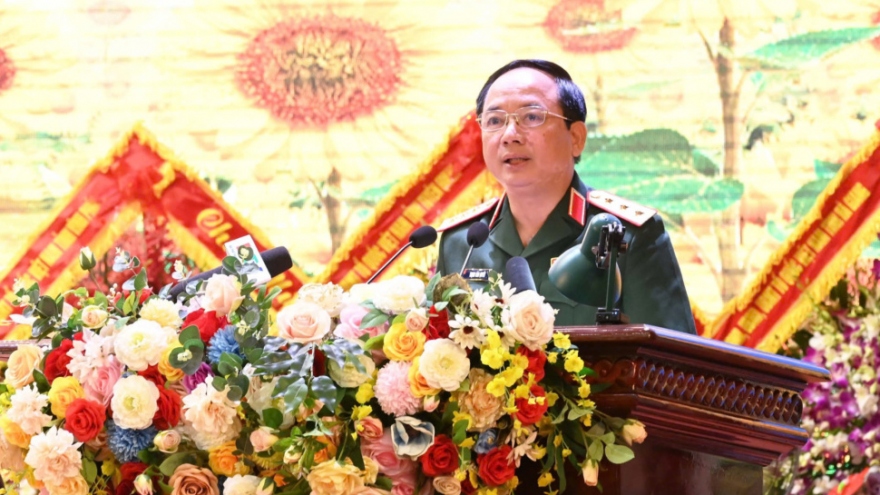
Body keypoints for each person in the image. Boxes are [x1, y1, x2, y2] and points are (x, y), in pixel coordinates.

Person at [436, 59, 696, 334]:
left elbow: (671, 357)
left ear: (576, 138)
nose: (509, 135)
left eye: (531, 117)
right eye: (495, 121)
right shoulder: (462, 242)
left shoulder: (628, 236)